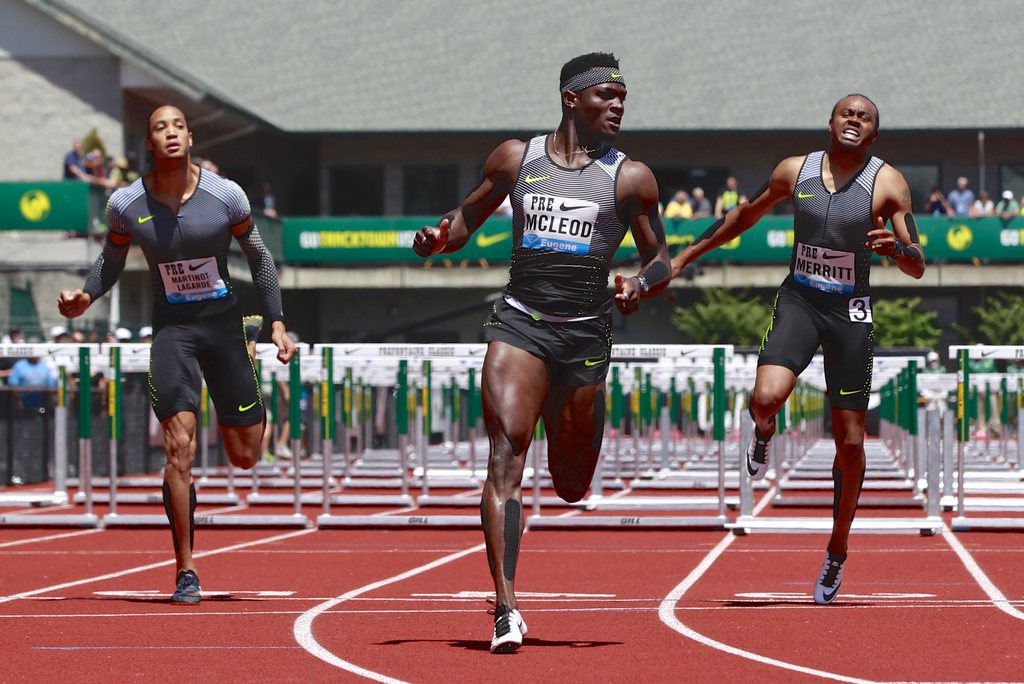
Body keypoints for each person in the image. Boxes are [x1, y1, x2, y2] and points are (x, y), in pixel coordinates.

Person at [413, 52, 670, 653]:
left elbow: (660, 258)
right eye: (606, 96)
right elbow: (466, 217)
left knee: (572, 483)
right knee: (505, 455)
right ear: (571, 99)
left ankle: (568, 465)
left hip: (583, 336)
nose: (618, 107)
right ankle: (505, 607)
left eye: (623, 98)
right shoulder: (516, 159)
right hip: (519, 325)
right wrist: (435, 238)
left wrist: (639, 283)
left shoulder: (630, 177)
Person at [671, 94, 925, 605]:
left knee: (850, 443)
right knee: (765, 398)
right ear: (830, 123)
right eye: (846, 113)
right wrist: (684, 258)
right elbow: (743, 215)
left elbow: (918, 262)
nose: (854, 120)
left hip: (850, 312)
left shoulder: (889, 183)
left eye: (865, 117)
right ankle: (764, 432)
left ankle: (836, 550)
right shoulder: (795, 170)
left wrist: (896, 250)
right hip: (802, 300)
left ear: (874, 134)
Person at [57, 104, 296, 605]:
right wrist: (87, 295)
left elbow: (260, 256)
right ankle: (186, 568)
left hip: (225, 323)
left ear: (189, 137)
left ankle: (246, 361)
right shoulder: (125, 202)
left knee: (246, 455)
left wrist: (275, 319)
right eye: (159, 128)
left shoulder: (224, 194)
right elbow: (112, 258)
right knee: (178, 446)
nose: (169, 134)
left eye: (177, 126)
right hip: (172, 329)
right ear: (149, 143)